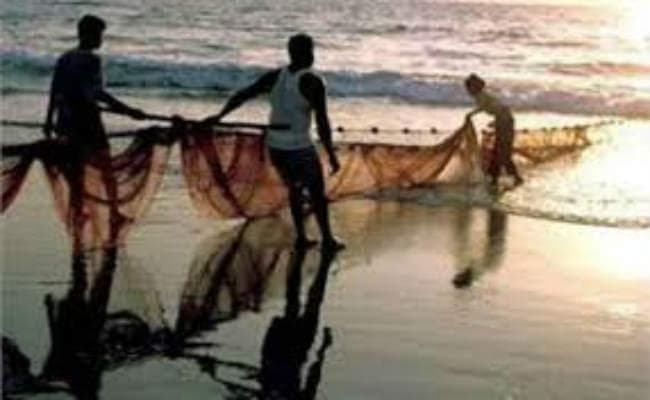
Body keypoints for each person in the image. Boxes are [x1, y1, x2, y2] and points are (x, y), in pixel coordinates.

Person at [201, 33, 344, 250]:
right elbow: (322, 122)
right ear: (305, 53)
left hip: (276, 146)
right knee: (316, 192)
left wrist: (220, 115)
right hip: (299, 146)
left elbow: (244, 94)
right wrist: (331, 155)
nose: (312, 55)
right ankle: (328, 240)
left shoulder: (276, 76)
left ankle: (302, 237)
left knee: (295, 189)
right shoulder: (313, 81)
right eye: (310, 50)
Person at [43, 14, 147, 246]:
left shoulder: (64, 58)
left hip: (65, 121)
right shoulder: (91, 60)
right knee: (106, 168)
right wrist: (129, 110)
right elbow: (97, 94)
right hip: (87, 121)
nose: (101, 39)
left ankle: (78, 212)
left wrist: (48, 120)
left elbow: (55, 91)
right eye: (99, 34)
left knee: (76, 172)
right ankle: (115, 213)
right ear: (88, 34)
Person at [465, 74, 523, 186]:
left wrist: (470, 114)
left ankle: (511, 177)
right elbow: (498, 108)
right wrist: (496, 122)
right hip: (504, 119)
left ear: (474, 87)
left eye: (469, 87)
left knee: (502, 151)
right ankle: (495, 177)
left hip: (504, 120)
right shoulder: (482, 95)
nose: (468, 91)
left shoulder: (481, 96)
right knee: (499, 150)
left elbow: (483, 107)